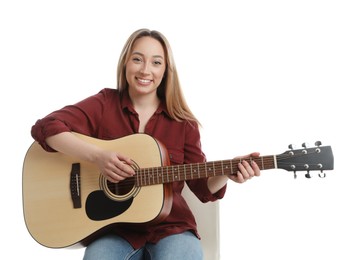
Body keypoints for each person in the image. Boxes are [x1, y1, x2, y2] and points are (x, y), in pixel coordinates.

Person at [31, 28, 261, 260]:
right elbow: (46, 127)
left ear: (165, 71)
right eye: (137, 59)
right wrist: (97, 156)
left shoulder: (183, 122)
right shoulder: (104, 104)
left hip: (172, 229)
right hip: (114, 230)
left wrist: (228, 172)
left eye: (156, 62)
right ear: (125, 63)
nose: (145, 70)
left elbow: (202, 188)